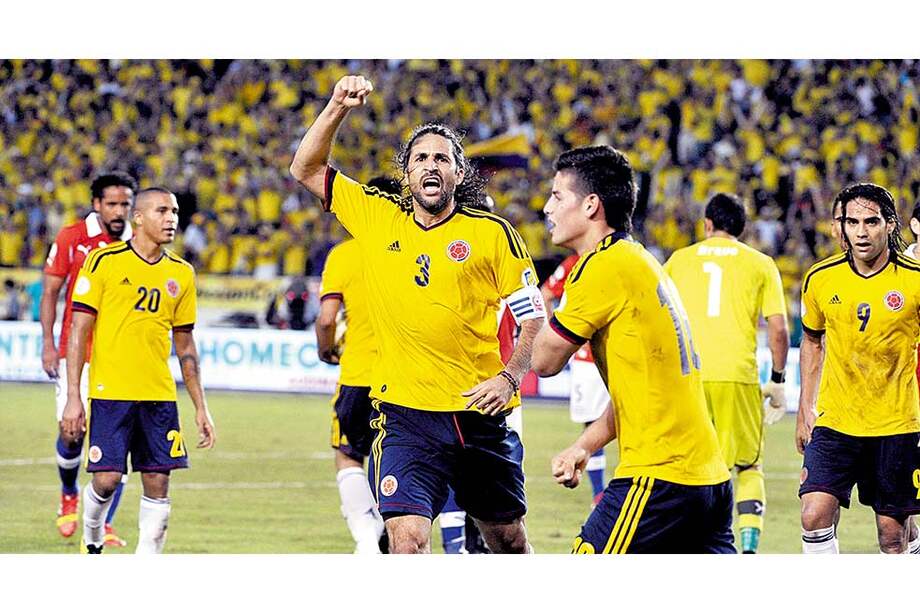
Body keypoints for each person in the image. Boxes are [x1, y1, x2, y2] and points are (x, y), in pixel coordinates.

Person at [290, 75, 544, 554]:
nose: (431, 165)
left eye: (442, 158)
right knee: (406, 544)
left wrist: (510, 378)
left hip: (478, 412)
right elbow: (305, 167)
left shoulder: (493, 233)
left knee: (507, 542)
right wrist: (337, 107)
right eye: (421, 158)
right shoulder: (376, 215)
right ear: (406, 173)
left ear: (459, 172)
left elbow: (532, 314)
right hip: (405, 417)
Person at [533, 145, 734, 554]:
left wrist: (525, 302)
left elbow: (543, 360)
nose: (547, 208)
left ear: (591, 205)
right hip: (707, 478)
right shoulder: (637, 259)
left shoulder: (601, 267)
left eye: (557, 196)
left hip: (662, 478)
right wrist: (583, 446)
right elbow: (642, 391)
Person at [62, 187, 216, 554]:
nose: (172, 219)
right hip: (111, 391)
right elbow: (79, 330)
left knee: (158, 483)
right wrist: (73, 397)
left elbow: (186, 346)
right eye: (162, 211)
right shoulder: (104, 262)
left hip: (159, 396)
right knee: (107, 479)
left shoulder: (182, 273)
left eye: (175, 212)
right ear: (139, 218)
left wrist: (200, 406)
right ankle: (93, 535)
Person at [797, 183, 920, 554]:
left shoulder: (914, 279)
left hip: (896, 422)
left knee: (892, 535)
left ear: (890, 224)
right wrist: (806, 407)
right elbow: (812, 341)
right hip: (837, 420)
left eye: (871, 221)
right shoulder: (821, 278)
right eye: (853, 222)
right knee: (814, 514)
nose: (862, 232)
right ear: (843, 227)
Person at [663, 193, 790, 554]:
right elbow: (778, 329)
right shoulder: (761, 263)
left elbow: (657, 318)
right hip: (738, 375)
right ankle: (747, 551)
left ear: (707, 224)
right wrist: (778, 379)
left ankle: (687, 546)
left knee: (687, 466)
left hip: (687, 377)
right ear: (742, 228)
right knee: (748, 464)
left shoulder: (678, 260)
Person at [41, 172, 135, 547]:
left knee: (119, 440)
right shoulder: (72, 238)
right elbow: (51, 292)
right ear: (96, 204)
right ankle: (68, 493)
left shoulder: (136, 241)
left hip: (120, 357)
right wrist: (48, 344)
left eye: (125, 204)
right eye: (112, 203)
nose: (119, 211)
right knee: (72, 431)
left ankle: (105, 524)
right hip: (76, 353)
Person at [316, 176, 399, 554]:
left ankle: (366, 537)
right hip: (405, 377)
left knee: (349, 453)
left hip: (358, 375)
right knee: (402, 455)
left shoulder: (345, 254)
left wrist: (326, 349)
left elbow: (326, 319)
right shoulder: (414, 250)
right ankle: (395, 531)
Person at [540, 254, 611, 507]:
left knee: (596, 423)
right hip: (605, 356)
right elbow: (546, 294)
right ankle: (602, 493)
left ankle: (601, 493)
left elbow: (547, 293)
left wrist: (554, 334)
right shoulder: (623, 256)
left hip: (590, 359)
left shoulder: (576, 262)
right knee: (606, 424)